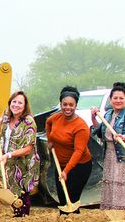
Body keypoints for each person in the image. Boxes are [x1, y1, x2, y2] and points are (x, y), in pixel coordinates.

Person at [0, 91, 40, 217]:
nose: (16, 105)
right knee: (9, 192)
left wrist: (8, 155)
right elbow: (1, 117)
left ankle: (22, 219)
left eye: (20, 103)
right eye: (14, 102)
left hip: (24, 164)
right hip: (8, 163)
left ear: (25, 106)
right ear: (10, 103)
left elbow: (28, 148)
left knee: (21, 195)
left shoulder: (29, 122)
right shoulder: (7, 117)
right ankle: (13, 219)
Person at [46, 86, 92, 214]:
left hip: (79, 166)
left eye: (71, 105)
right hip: (60, 163)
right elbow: (48, 123)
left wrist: (66, 171)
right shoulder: (56, 118)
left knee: (71, 197)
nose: (67, 107)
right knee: (61, 197)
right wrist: (50, 140)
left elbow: (79, 151)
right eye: (64, 104)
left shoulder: (81, 126)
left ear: (76, 105)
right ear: (60, 104)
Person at [91, 82, 125, 210]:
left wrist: (123, 137)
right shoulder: (108, 114)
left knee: (121, 184)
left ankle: (121, 212)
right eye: (115, 98)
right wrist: (94, 118)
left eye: (121, 98)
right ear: (110, 100)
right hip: (109, 154)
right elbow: (99, 133)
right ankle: (110, 210)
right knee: (110, 183)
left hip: (121, 155)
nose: (118, 101)